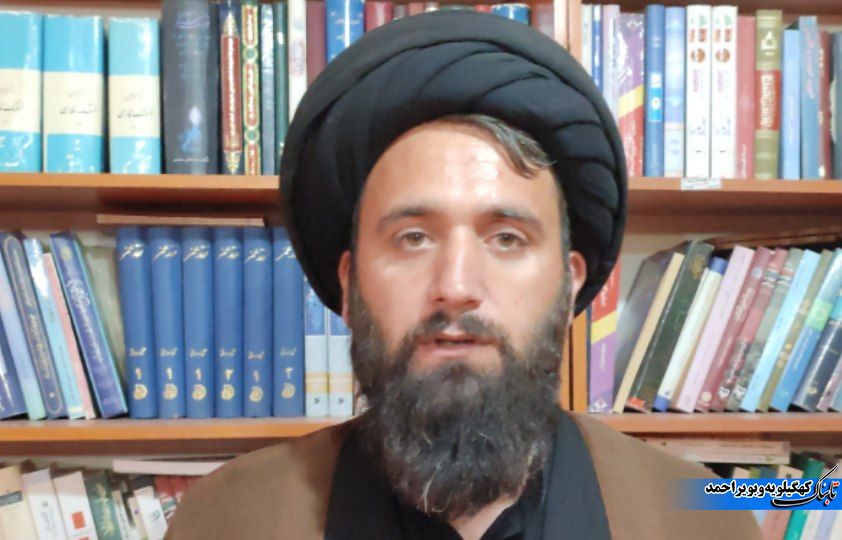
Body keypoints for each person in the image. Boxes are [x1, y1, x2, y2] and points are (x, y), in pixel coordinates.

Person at [167, 10, 760, 540]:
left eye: (506, 239)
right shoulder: (224, 519)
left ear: (569, 283)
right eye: (413, 238)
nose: (455, 286)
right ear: (349, 285)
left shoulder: (706, 514)